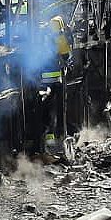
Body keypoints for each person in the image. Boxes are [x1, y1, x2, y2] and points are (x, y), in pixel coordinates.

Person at [40, 15, 72, 153]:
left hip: (41, 81)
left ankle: (46, 140)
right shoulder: (59, 39)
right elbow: (66, 56)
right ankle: (57, 138)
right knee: (58, 110)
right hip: (56, 81)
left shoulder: (42, 38)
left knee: (46, 111)